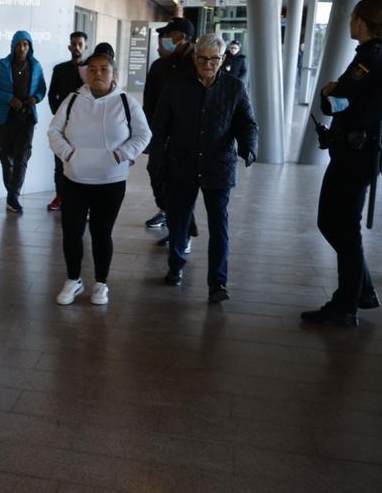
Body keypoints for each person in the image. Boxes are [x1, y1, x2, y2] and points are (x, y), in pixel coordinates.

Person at [302, 0, 382, 327]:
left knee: (339, 225)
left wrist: (330, 91)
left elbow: (337, 99)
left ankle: (346, 305)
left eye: (351, 17)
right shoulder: (381, 56)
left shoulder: (371, 58)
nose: (349, 22)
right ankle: (362, 290)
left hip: (355, 155)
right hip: (357, 153)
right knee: (337, 224)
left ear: (360, 21)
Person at [150, 33, 258, 303]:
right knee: (178, 221)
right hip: (181, 163)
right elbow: (160, 125)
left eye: (213, 59)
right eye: (202, 58)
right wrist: (156, 161)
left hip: (218, 165)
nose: (207, 64)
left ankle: (218, 283)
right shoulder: (175, 86)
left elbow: (247, 123)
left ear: (222, 59)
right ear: (195, 57)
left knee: (219, 225)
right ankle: (175, 267)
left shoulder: (235, 88)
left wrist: (249, 147)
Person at [48, 52, 151, 305]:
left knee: (101, 233)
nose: (97, 74)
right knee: (72, 232)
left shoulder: (126, 101)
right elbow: (54, 131)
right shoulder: (73, 100)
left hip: (110, 181)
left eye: (103, 69)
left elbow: (143, 134)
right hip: (75, 178)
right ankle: (74, 280)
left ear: (114, 73)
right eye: (92, 69)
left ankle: (101, 283)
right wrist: (69, 154)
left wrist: (122, 154)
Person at [142, 18, 197, 247]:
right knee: (158, 178)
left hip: (187, 140)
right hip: (160, 136)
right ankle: (176, 222)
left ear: (181, 38)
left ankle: (181, 234)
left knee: (181, 187)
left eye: (168, 35)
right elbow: (149, 102)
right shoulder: (159, 66)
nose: (163, 40)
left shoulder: (197, 64)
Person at [0, 30, 47, 213]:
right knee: (6, 157)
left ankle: (13, 196)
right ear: (13, 46)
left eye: (26, 44)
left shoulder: (36, 66)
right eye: (19, 44)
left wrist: (35, 98)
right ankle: (12, 192)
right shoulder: (2, 65)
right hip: (5, 119)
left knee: (22, 157)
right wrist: (9, 98)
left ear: (30, 47)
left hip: (27, 119)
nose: (22, 48)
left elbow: (42, 89)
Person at [46, 31, 89, 211]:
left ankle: (82, 200)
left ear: (85, 47)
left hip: (85, 124)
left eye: (80, 44)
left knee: (82, 161)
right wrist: (58, 114)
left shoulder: (90, 70)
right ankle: (60, 196)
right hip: (64, 124)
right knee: (60, 161)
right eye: (74, 44)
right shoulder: (60, 69)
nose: (76, 47)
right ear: (69, 47)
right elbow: (51, 95)